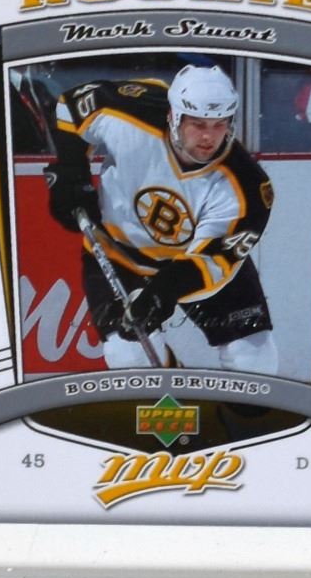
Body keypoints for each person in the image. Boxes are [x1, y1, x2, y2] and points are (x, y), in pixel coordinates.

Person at [43, 65, 278, 371]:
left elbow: (212, 261)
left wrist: (160, 294)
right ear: (174, 116)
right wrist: (72, 171)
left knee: (254, 361)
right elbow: (71, 105)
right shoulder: (131, 111)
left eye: (219, 124)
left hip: (191, 264)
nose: (209, 136)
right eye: (198, 124)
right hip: (120, 255)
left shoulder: (248, 186)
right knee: (128, 357)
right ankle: (173, 386)